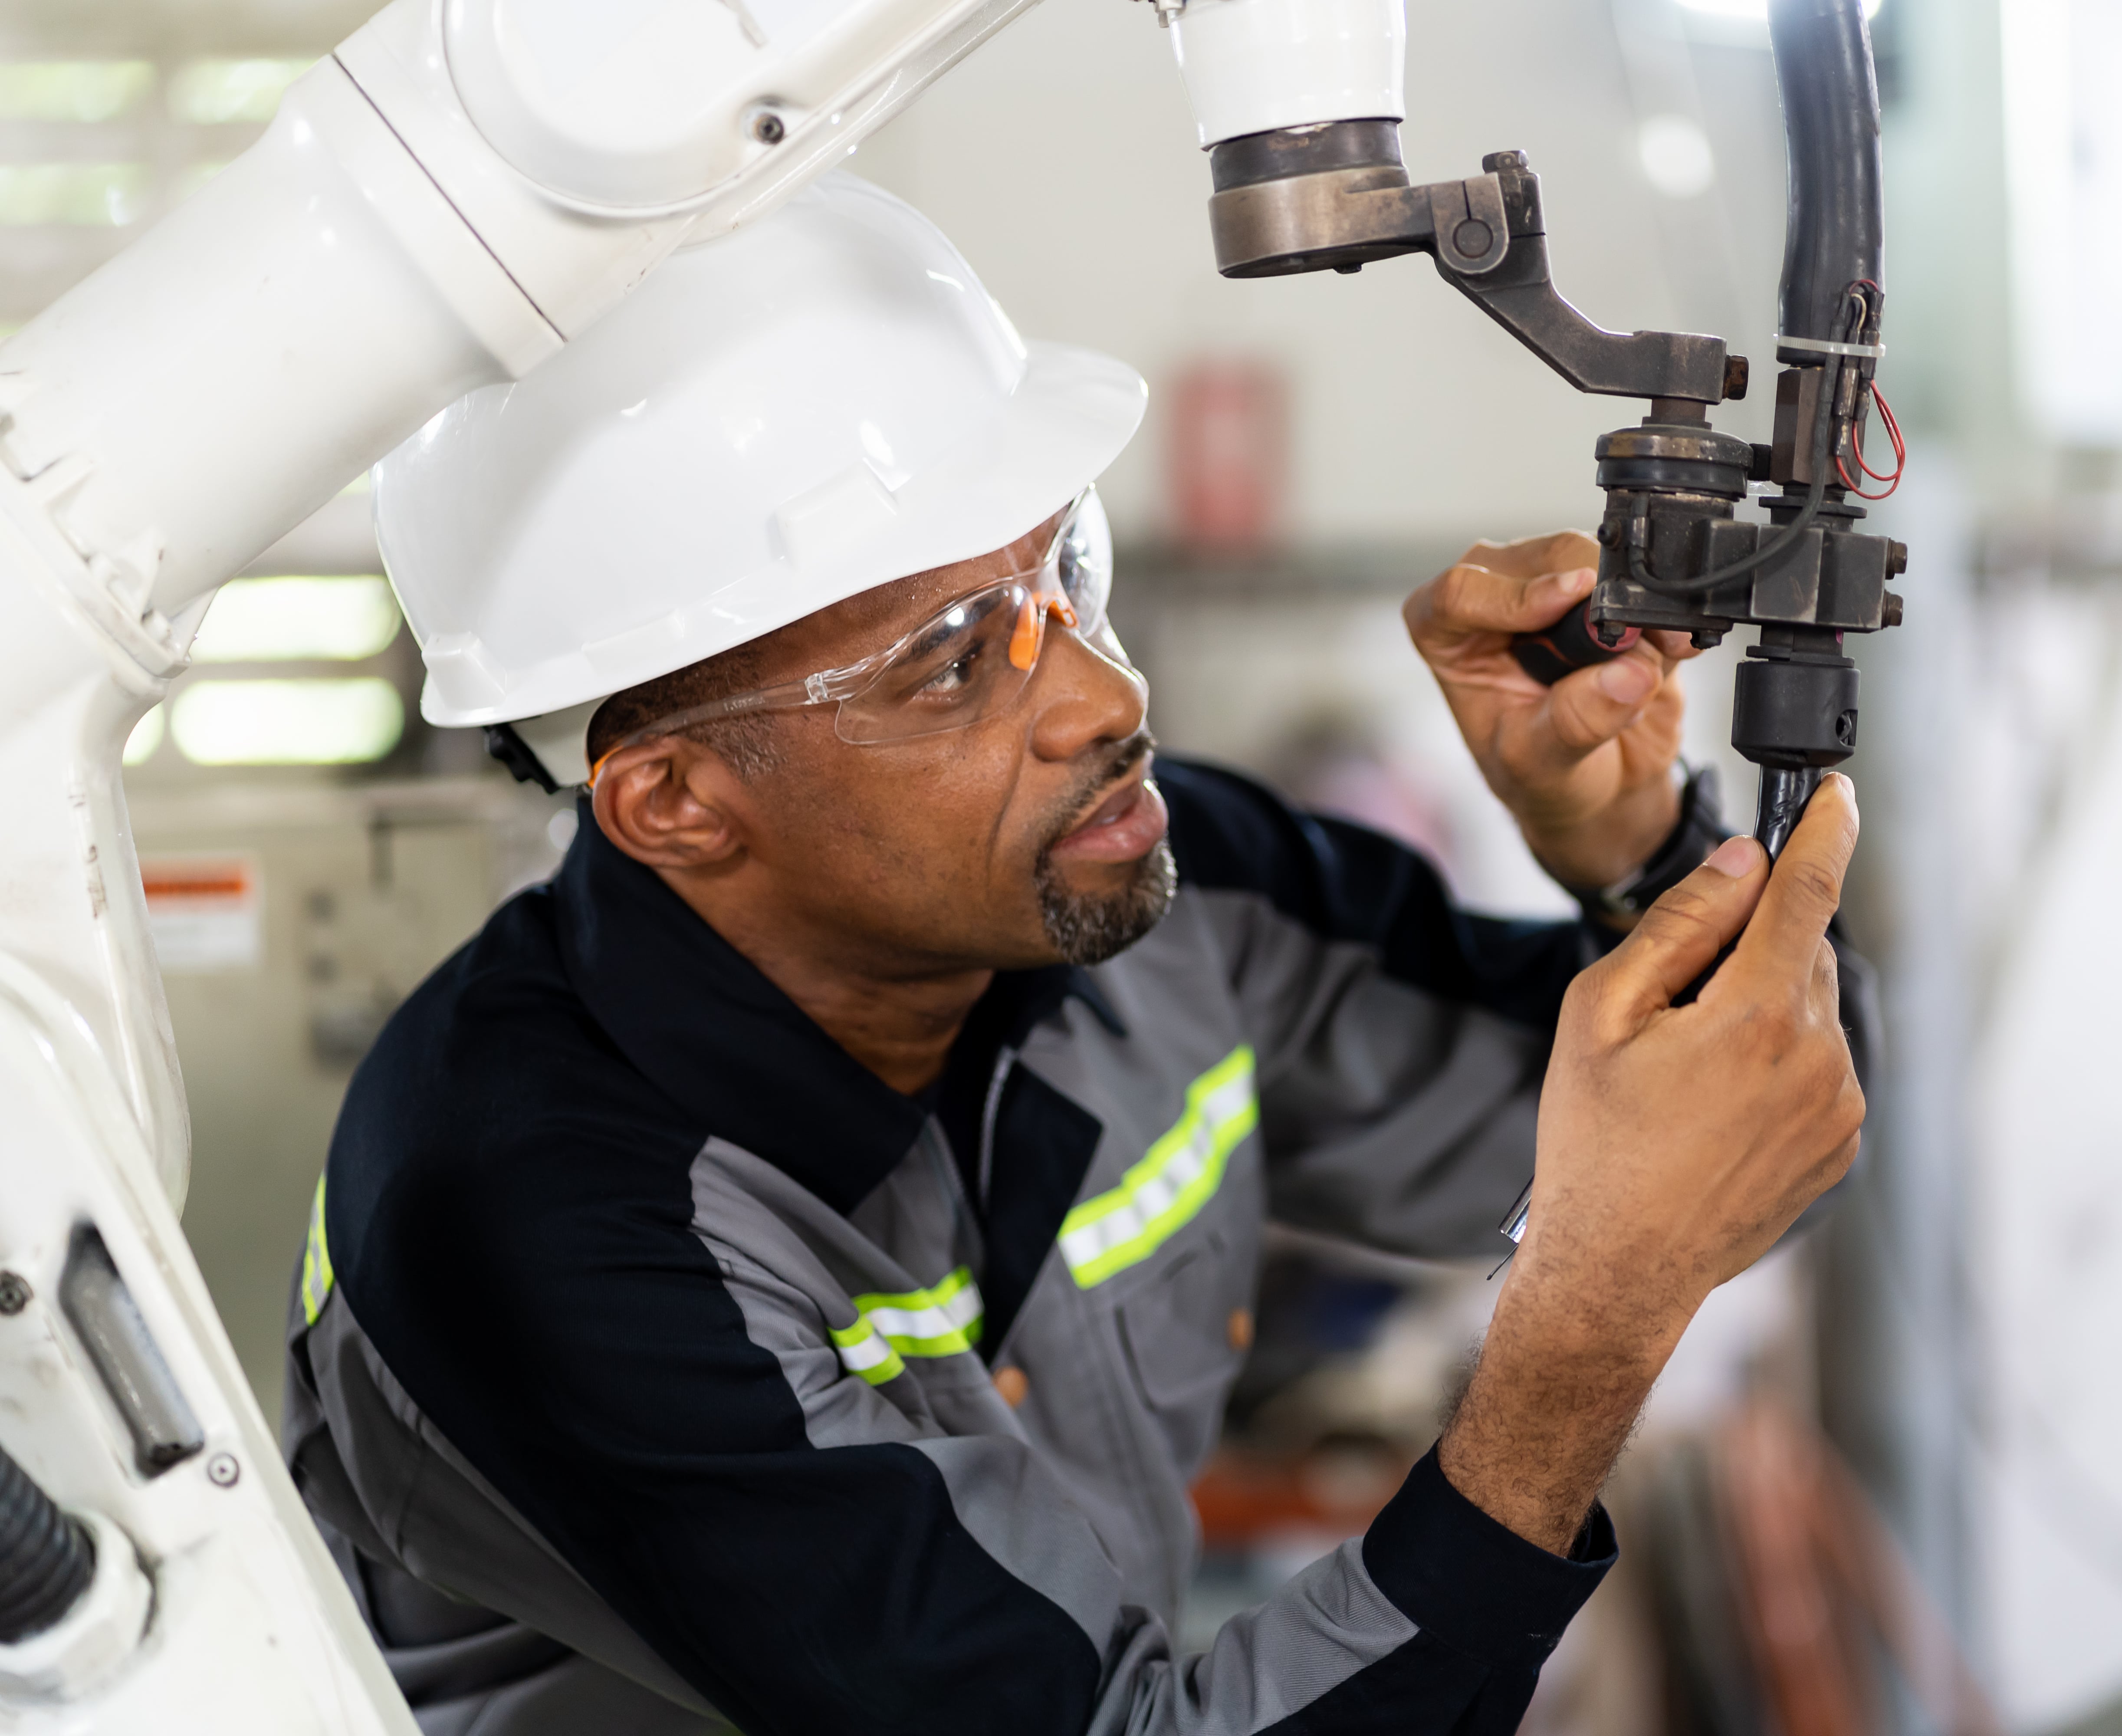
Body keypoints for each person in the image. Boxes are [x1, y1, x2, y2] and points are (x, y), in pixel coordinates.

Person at [283, 176, 1865, 1736]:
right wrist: (1582, 1340)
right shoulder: (533, 1218)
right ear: (679, 802)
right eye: (955, 661)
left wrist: (1631, 845)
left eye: (1067, 574)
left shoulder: (1159, 895)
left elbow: (1747, 1138)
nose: (1107, 699)